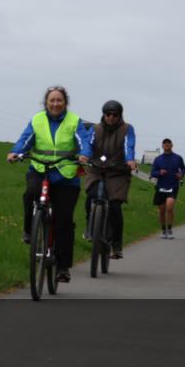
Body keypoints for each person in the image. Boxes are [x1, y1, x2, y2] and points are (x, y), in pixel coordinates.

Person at [7, 85, 89, 283]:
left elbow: (84, 141)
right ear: (46, 103)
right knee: (29, 194)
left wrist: (85, 154)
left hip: (65, 175)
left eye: (59, 100)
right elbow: (25, 140)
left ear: (65, 103)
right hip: (40, 169)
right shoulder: (37, 120)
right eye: (51, 100)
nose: (55, 103)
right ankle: (29, 230)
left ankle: (62, 267)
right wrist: (15, 152)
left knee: (64, 220)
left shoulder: (74, 121)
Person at [80, 100, 137, 259]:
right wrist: (85, 155)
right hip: (96, 169)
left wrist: (130, 159)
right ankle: (89, 227)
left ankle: (116, 244)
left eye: (115, 115)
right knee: (91, 195)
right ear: (103, 115)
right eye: (108, 114)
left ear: (120, 116)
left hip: (118, 172)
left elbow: (128, 145)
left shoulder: (127, 129)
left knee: (114, 206)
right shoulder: (95, 129)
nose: (111, 117)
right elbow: (88, 144)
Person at [150, 138, 185, 239]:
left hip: (173, 186)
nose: (166, 145)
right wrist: (159, 173)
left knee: (169, 207)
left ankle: (169, 229)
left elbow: (183, 168)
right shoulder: (158, 159)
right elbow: (153, 172)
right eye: (164, 144)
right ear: (162, 146)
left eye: (168, 143)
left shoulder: (178, 158)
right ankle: (163, 229)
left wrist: (181, 174)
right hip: (161, 186)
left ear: (172, 145)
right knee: (161, 210)